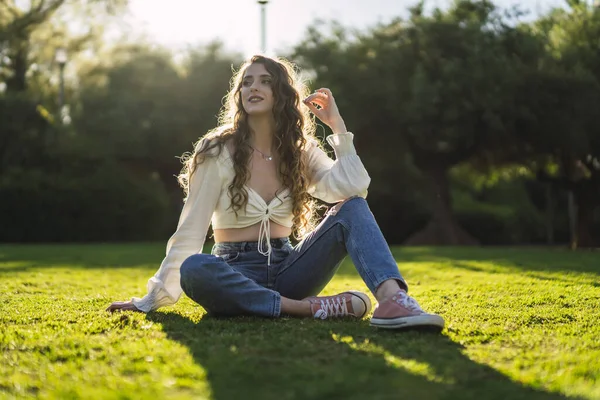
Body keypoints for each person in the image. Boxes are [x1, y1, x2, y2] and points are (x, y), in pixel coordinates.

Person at [107, 55, 444, 330]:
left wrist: (338, 127)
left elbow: (353, 188)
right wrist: (151, 299)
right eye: (247, 82)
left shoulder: (301, 151)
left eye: (265, 80)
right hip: (235, 270)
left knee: (353, 208)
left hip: (290, 268)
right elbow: (191, 230)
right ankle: (309, 309)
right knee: (195, 267)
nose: (254, 87)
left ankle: (392, 301)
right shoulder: (216, 150)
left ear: (282, 93)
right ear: (238, 95)